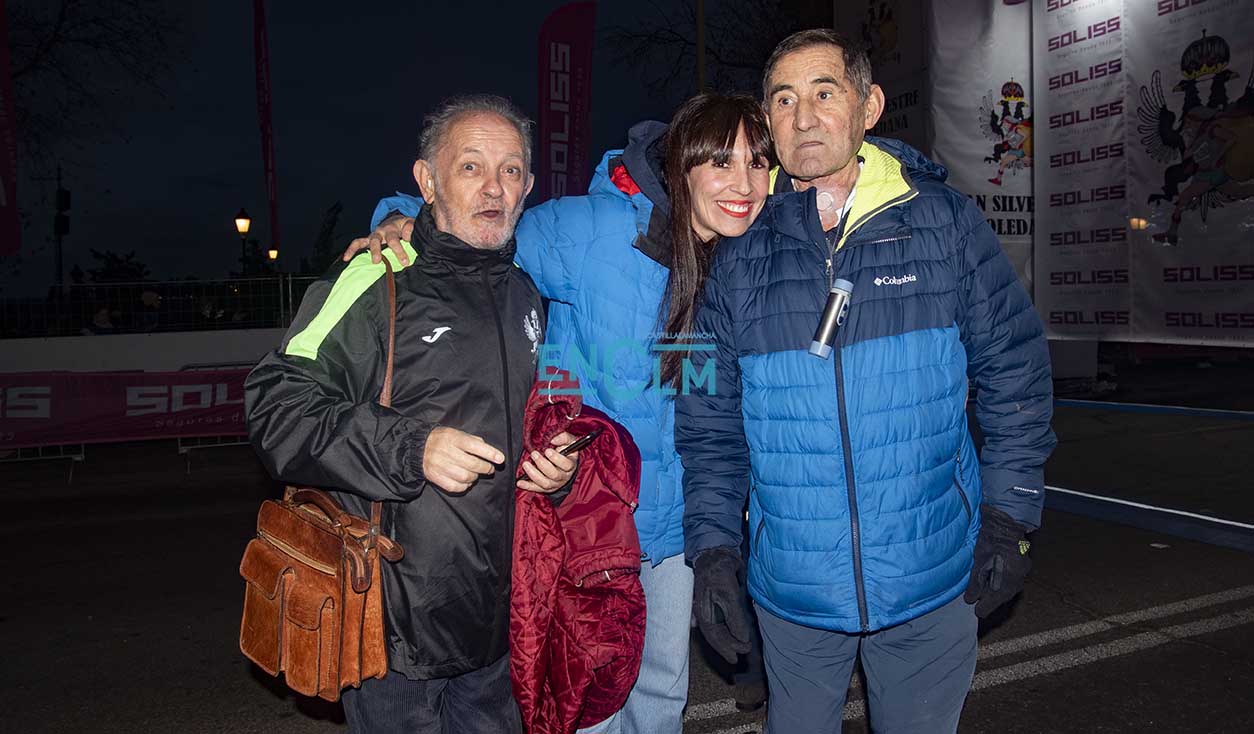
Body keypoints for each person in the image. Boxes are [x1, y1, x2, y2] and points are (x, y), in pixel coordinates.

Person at [344, 93, 772, 734]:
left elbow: (704, 402)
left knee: (660, 697)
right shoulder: (595, 231)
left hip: (673, 532)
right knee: (584, 701)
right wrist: (402, 217)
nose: (742, 184)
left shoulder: (737, 259)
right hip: (588, 518)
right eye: (721, 162)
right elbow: (483, 224)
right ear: (683, 167)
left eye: (757, 164)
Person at [675, 29, 1057, 733]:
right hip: (793, 598)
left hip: (933, 579)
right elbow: (708, 427)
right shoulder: (735, 257)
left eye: (825, 92)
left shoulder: (945, 223)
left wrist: (1012, 516)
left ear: (869, 105)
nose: (803, 115)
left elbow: (1016, 373)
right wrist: (714, 552)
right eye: (783, 99)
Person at [245, 94, 580, 734]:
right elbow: (275, 402)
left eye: (512, 170)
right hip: (394, 627)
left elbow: (535, 414)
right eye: (471, 167)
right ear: (426, 182)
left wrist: (553, 464)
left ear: (529, 186)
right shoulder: (377, 277)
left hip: (499, 623)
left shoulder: (526, 293)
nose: (494, 187)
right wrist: (411, 447)